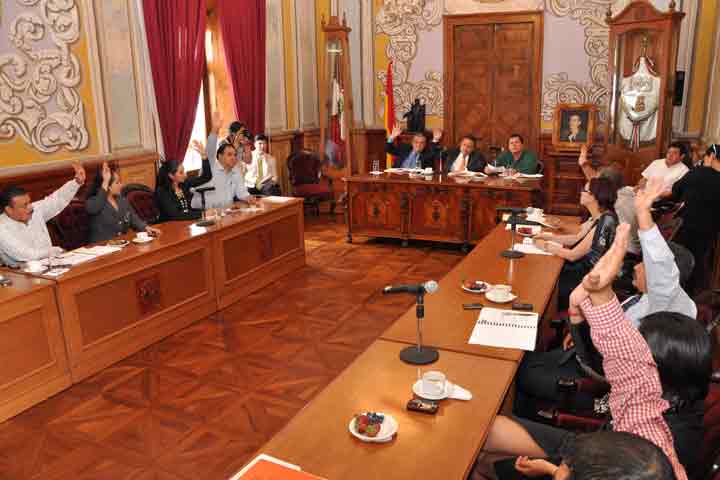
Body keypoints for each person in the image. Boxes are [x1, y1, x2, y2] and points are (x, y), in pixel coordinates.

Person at [480, 223, 711, 480]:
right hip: (593, 445)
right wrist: (600, 294)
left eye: (640, 352)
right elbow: (620, 345)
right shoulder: (654, 398)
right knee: (486, 433)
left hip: (587, 464)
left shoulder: (663, 448)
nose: (632, 356)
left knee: (485, 459)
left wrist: (553, 470)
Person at [513, 178, 697, 419]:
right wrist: (582, 330)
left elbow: (662, 267)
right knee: (522, 360)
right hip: (584, 353)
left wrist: (643, 214)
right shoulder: (646, 298)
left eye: (643, 264)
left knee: (521, 373)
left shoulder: (665, 301)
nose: (636, 267)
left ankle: (531, 424)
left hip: (598, 379)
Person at [534, 177, 618, 310]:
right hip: (583, 269)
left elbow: (573, 255)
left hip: (586, 276)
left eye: (585, 190)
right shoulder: (599, 216)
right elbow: (576, 238)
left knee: (544, 279)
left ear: (594, 197)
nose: (581, 192)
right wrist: (547, 237)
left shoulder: (605, 221)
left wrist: (545, 246)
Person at [0, 161, 86, 265]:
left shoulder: (35, 210)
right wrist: (55, 250)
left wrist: (76, 183)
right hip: (23, 272)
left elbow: (57, 200)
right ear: (9, 210)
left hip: (53, 265)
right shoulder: (2, 228)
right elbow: (26, 254)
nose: (30, 207)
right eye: (24, 205)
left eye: (29, 202)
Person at [669, 143, 720, 294]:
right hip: (709, 231)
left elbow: (675, 191)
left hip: (685, 226)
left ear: (712, 156)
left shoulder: (697, 172)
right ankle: (690, 294)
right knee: (697, 261)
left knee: (678, 260)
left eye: (705, 157)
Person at [85, 163, 161, 243]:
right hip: (102, 246)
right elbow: (93, 208)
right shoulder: (93, 201)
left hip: (121, 243)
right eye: (117, 183)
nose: (121, 185)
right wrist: (105, 182)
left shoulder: (121, 200)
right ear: (108, 186)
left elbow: (133, 218)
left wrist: (146, 228)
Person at [154, 140, 213, 222]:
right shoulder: (162, 191)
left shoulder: (184, 183)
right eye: (181, 172)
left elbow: (206, 177)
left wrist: (204, 156)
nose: (185, 175)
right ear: (171, 176)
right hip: (168, 226)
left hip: (186, 222)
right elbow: (175, 215)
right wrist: (202, 214)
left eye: (184, 171)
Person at [190, 141, 251, 210]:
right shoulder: (209, 169)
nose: (233, 158)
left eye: (235, 155)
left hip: (228, 210)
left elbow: (241, 191)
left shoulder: (236, 170)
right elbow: (203, 198)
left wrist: (249, 198)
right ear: (220, 156)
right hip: (205, 210)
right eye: (229, 155)